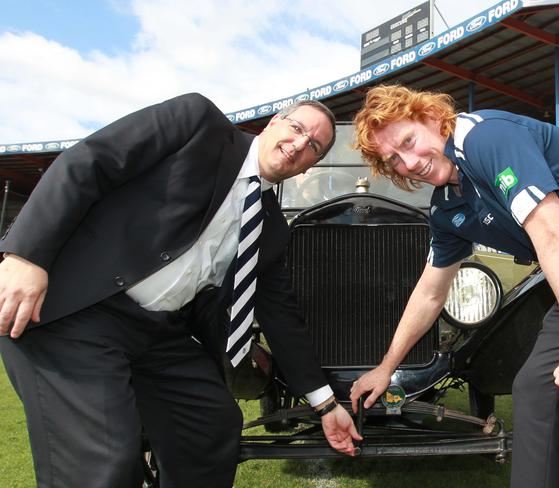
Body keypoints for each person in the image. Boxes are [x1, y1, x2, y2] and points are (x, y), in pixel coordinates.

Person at [0, 93, 361, 488]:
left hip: (157, 332)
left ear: (312, 164)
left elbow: (281, 318)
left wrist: (325, 404)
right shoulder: (198, 125)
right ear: (274, 122)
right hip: (80, 311)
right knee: (105, 462)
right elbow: (92, 160)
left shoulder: (272, 229)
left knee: (212, 425)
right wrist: (26, 255)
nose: (299, 144)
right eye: (298, 128)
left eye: (314, 146)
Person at [349, 84, 559, 488]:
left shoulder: (485, 137)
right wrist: (386, 369)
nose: (410, 162)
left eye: (409, 141)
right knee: (533, 390)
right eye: (394, 160)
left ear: (434, 119)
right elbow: (431, 291)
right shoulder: (446, 205)